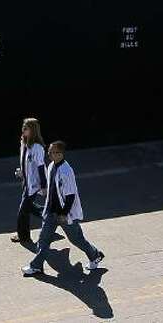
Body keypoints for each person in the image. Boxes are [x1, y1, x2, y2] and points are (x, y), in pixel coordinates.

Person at [22, 141, 105, 277]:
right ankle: (35, 266)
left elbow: (70, 194)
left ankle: (95, 255)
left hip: (64, 214)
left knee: (77, 239)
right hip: (50, 212)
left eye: (54, 152)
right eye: (49, 152)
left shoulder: (66, 170)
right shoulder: (51, 167)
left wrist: (64, 213)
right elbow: (51, 189)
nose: (50, 155)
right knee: (43, 239)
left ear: (61, 154)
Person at [11, 118, 47, 247]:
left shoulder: (37, 147)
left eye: (26, 128)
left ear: (33, 130)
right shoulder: (24, 143)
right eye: (23, 127)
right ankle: (48, 216)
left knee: (23, 211)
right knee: (29, 207)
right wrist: (22, 171)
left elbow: (40, 167)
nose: (23, 130)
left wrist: (43, 186)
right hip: (27, 182)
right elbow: (25, 161)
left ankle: (24, 237)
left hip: (34, 184)